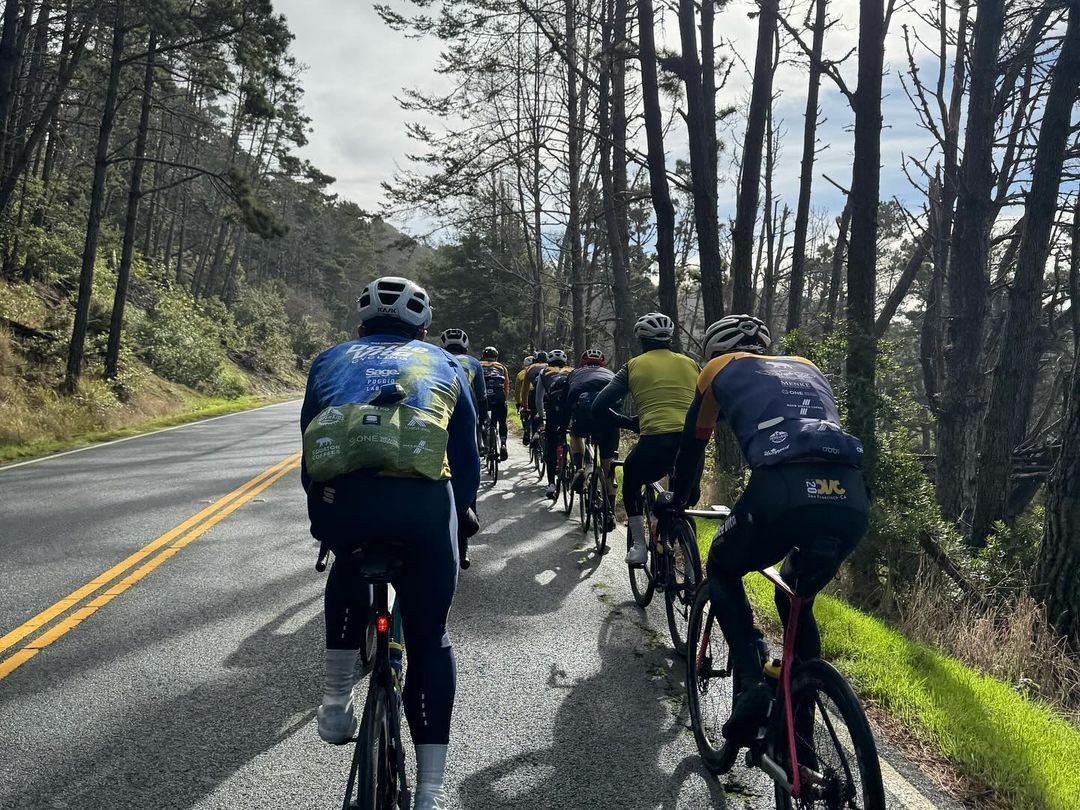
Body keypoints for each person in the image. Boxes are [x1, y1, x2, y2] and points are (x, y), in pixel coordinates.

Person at [300, 276, 481, 810]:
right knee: (430, 643)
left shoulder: (329, 359)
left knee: (347, 567)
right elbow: (465, 455)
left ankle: (334, 705)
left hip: (345, 503)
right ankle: (429, 794)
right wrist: (465, 513)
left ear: (360, 326)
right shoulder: (444, 363)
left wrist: (323, 518)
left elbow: (312, 446)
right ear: (423, 328)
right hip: (423, 509)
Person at [660, 314, 868, 745]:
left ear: (714, 352)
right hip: (850, 496)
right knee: (796, 596)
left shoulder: (716, 370)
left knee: (722, 566)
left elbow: (693, 445)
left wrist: (680, 499)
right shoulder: (807, 366)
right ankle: (801, 736)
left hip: (781, 488)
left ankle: (753, 679)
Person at [592, 313, 698, 565]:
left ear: (641, 339)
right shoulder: (691, 364)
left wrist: (629, 422)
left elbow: (598, 407)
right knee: (684, 496)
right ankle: (666, 535)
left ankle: (639, 544)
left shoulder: (633, 366)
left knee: (631, 478)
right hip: (691, 442)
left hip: (655, 442)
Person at [566, 349, 618, 532]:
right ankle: (610, 512)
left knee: (575, 434)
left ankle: (580, 468)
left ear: (583, 363)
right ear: (602, 364)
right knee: (609, 466)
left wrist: (565, 422)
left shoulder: (575, 373)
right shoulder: (612, 374)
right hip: (609, 417)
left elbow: (568, 399)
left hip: (584, 414)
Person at [535, 349, 572, 500]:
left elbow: (538, 399)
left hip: (553, 412)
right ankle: (580, 469)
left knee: (551, 446)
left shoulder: (544, 372)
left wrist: (542, 416)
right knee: (576, 437)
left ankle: (551, 484)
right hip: (570, 411)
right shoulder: (572, 371)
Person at [480, 346, 511, 461]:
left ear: (483, 356)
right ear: (496, 357)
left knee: (480, 419)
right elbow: (506, 386)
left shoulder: (479, 365)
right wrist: (505, 401)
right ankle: (503, 443)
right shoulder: (502, 367)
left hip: (484, 395)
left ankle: (482, 443)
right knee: (502, 422)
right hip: (499, 395)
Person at [519, 350, 549, 445]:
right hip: (550, 394)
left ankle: (535, 432)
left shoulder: (530, 368)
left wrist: (524, 405)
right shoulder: (550, 368)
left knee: (533, 414)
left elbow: (525, 390)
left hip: (535, 394)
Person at [515, 354, 533, 433]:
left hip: (526, 395)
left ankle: (526, 429)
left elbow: (517, 390)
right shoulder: (541, 370)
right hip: (538, 394)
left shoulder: (520, 373)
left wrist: (518, 402)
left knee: (524, 411)